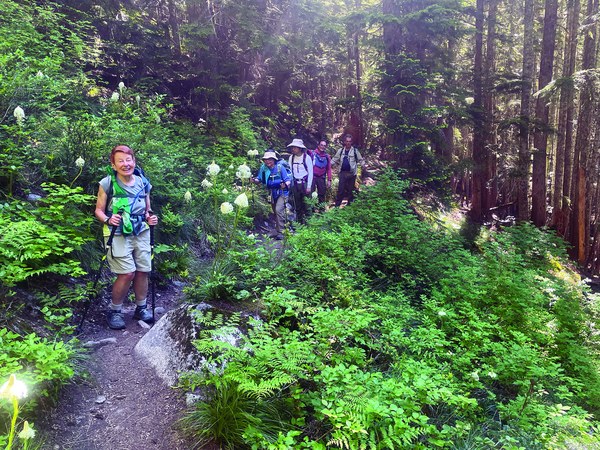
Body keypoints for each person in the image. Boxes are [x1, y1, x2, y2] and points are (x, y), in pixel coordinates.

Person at [94, 145, 158, 330]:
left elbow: (148, 209)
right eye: (120, 161)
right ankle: (115, 311)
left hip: (141, 231)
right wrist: (107, 218)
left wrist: (150, 218)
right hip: (117, 232)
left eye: (128, 160)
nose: (125, 164)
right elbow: (98, 210)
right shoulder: (107, 183)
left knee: (142, 270)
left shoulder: (143, 182)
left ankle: (141, 308)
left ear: (134, 161)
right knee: (127, 273)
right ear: (113, 165)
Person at [253, 150, 291, 240]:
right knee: (275, 211)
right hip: (272, 193)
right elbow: (259, 179)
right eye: (266, 159)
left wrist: (285, 185)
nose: (267, 161)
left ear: (274, 159)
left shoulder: (280, 167)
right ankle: (278, 230)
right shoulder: (263, 168)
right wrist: (254, 180)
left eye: (270, 159)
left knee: (278, 210)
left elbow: (288, 180)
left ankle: (282, 232)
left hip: (282, 192)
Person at [331, 134, 365, 207]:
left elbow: (360, 159)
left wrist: (363, 165)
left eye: (349, 141)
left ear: (351, 142)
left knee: (350, 191)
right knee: (340, 190)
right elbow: (335, 159)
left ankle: (349, 207)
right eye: (347, 141)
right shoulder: (340, 151)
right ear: (344, 142)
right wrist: (328, 165)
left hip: (352, 174)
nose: (348, 143)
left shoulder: (355, 151)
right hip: (343, 173)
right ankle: (337, 206)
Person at [287, 138, 313, 224]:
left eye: (295, 147)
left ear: (300, 148)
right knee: (297, 205)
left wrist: (309, 186)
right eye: (292, 147)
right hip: (295, 183)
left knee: (307, 205)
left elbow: (310, 173)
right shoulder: (291, 158)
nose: (293, 149)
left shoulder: (307, 158)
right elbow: (290, 171)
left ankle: (310, 225)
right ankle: (299, 224)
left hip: (304, 183)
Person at [310, 140, 332, 205]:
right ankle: (312, 210)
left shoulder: (327, 157)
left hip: (322, 177)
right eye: (321, 145)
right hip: (313, 177)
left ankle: (321, 210)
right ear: (318, 145)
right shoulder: (312, 154)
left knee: (322, 194)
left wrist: (329, 180)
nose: (322, 147)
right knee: (311, 194)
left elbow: (328, 169)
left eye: (324, 146)